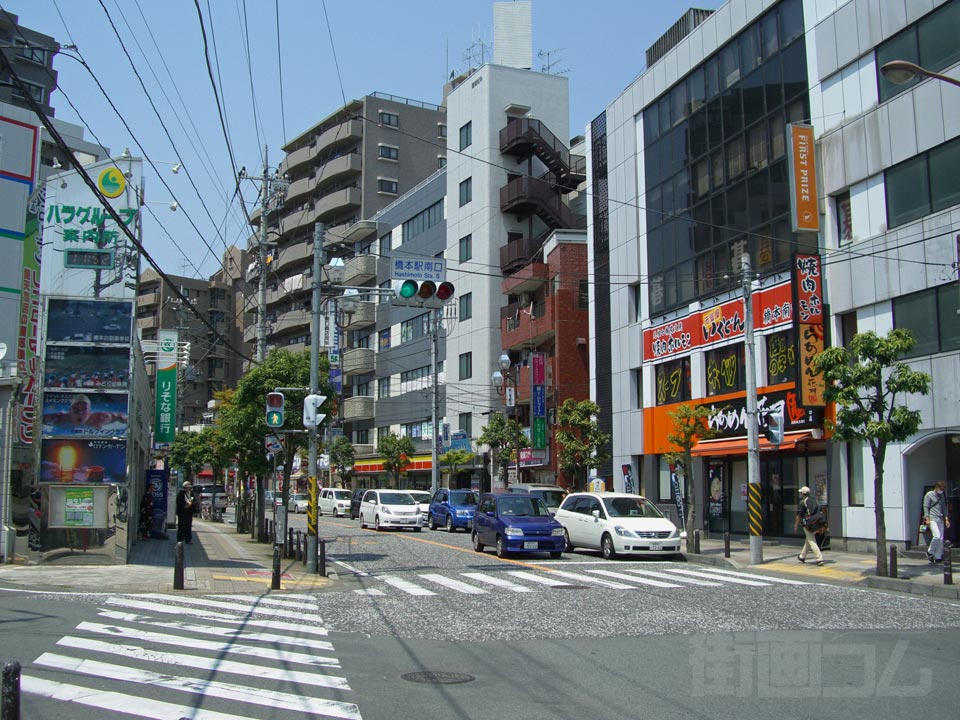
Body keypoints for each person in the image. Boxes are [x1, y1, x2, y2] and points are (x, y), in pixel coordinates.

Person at [42, 394, 127, 431]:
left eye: (84, 410)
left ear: (90, 412)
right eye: (76, 410)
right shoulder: (59, 419)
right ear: (69, 411)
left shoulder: (99, 418)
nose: (80, 413)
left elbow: (120, 416)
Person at [793, 486, 824, 566]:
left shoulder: (802, 502)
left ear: (802, 494)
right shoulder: (814, 500)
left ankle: (819, 559)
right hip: (817, 522)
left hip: (808, 524)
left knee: (811, 541)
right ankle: (802, 556)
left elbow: (799, 515)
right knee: (809, 539)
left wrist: (796, 526)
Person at [923, 481, 951, 563]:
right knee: (937, 536)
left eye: (943, 489)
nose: (942, 490)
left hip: (940, 518)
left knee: (941, 539)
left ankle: (938, 556)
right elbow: (926, 507)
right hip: (932, 518)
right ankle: (930, 552)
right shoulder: (929, 494)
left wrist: (946, 519)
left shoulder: (942, 496)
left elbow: (944, 508)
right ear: (937, 487)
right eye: (941, 489)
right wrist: (927, 518)